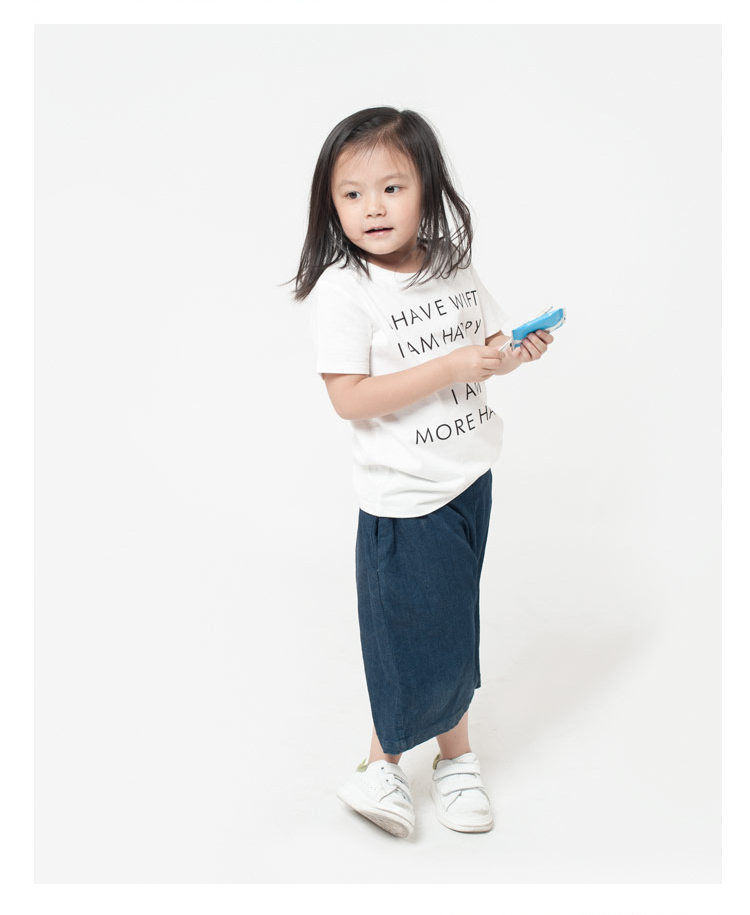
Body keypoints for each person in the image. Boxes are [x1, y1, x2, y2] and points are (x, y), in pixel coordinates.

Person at [288, 106, 555, 838]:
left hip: (469, 477)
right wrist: (451, 367)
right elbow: (349, 398)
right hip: (406, 498)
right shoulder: (346, 290)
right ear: (330, 203)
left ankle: (454, 757)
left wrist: (515, 350)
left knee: (452, 628)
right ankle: (381, 765)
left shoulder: (449, 262)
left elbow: (485, 343)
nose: (372, 208)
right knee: (413, 635)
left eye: (392, 187)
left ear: (427, 189)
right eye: (352, 193)